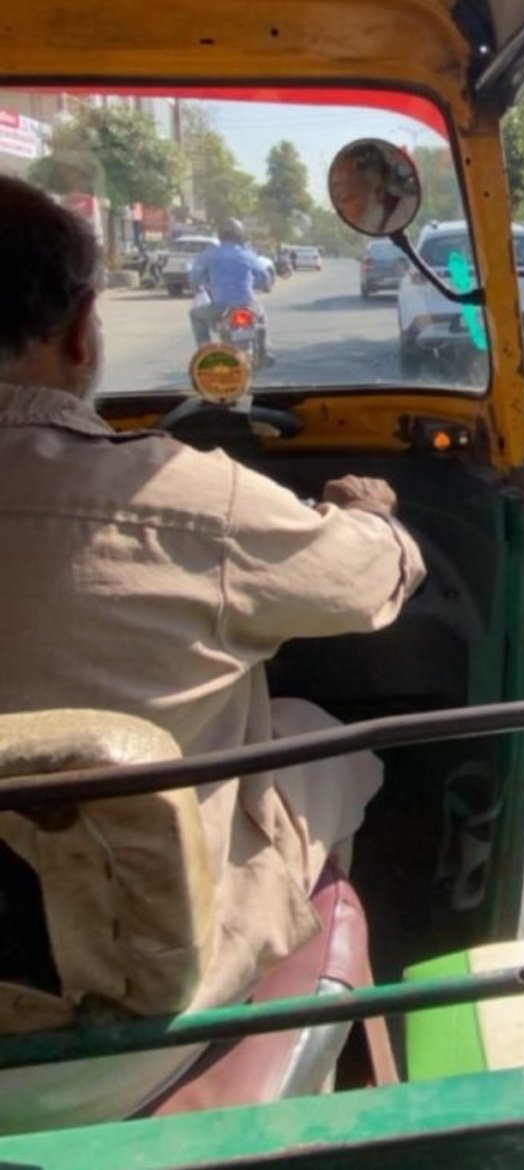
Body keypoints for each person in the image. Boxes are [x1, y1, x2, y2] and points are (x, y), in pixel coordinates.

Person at [0, 176, 426, 1129]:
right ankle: (289, 1007)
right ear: (79, 333)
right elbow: (366, 586)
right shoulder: (183, 500)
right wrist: (370, 517)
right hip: (100, 1051)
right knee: (321, 741)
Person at [189, 217, 273, 363]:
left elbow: (196, 278)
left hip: (221, 307)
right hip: (247, 304)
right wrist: (254, 284)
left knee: (195, 315)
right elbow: (264, 278)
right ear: (240, 235)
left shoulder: (210, 254)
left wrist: (198, 285)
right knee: (261, 316)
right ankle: (264, 352)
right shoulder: (247, 254)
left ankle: (206, 350)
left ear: (220, 235)